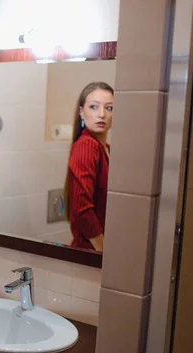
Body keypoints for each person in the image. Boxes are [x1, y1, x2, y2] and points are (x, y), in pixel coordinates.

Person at [64, 81, 114, 251]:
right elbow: (82, 208)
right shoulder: (87, 146)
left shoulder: (106, 149)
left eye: (109, 108)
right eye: (94, 107)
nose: (102, 114)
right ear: (81, 112)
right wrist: (102, 249)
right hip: (90, 253)